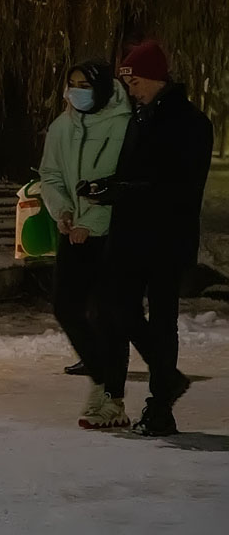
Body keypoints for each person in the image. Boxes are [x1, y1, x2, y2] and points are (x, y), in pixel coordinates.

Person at [80, 41, 213, 436]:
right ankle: (167, 379)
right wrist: (107, 186)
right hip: (133, 236)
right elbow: (135, 173)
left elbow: (175, 186)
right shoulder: (139, 117)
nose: (130, 89)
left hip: (165, 237)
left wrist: (118, 190)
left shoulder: (188, 122)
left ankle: (160, 407)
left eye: (135, 81)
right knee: (114, 305)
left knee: (161, 318)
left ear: (155, 78)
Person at [39, 59, 132, 429]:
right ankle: (102, 381)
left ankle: (113, 399)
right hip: (73, 232)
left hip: (112, 235)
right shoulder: (61, 127)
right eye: (72, 83)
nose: (76, 91)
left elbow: (122, 182)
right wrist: (62, 211)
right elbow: (50, 175)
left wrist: (91, 224)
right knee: (67, 307)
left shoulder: (124, 125)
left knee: (109, 316)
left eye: (85, 84)